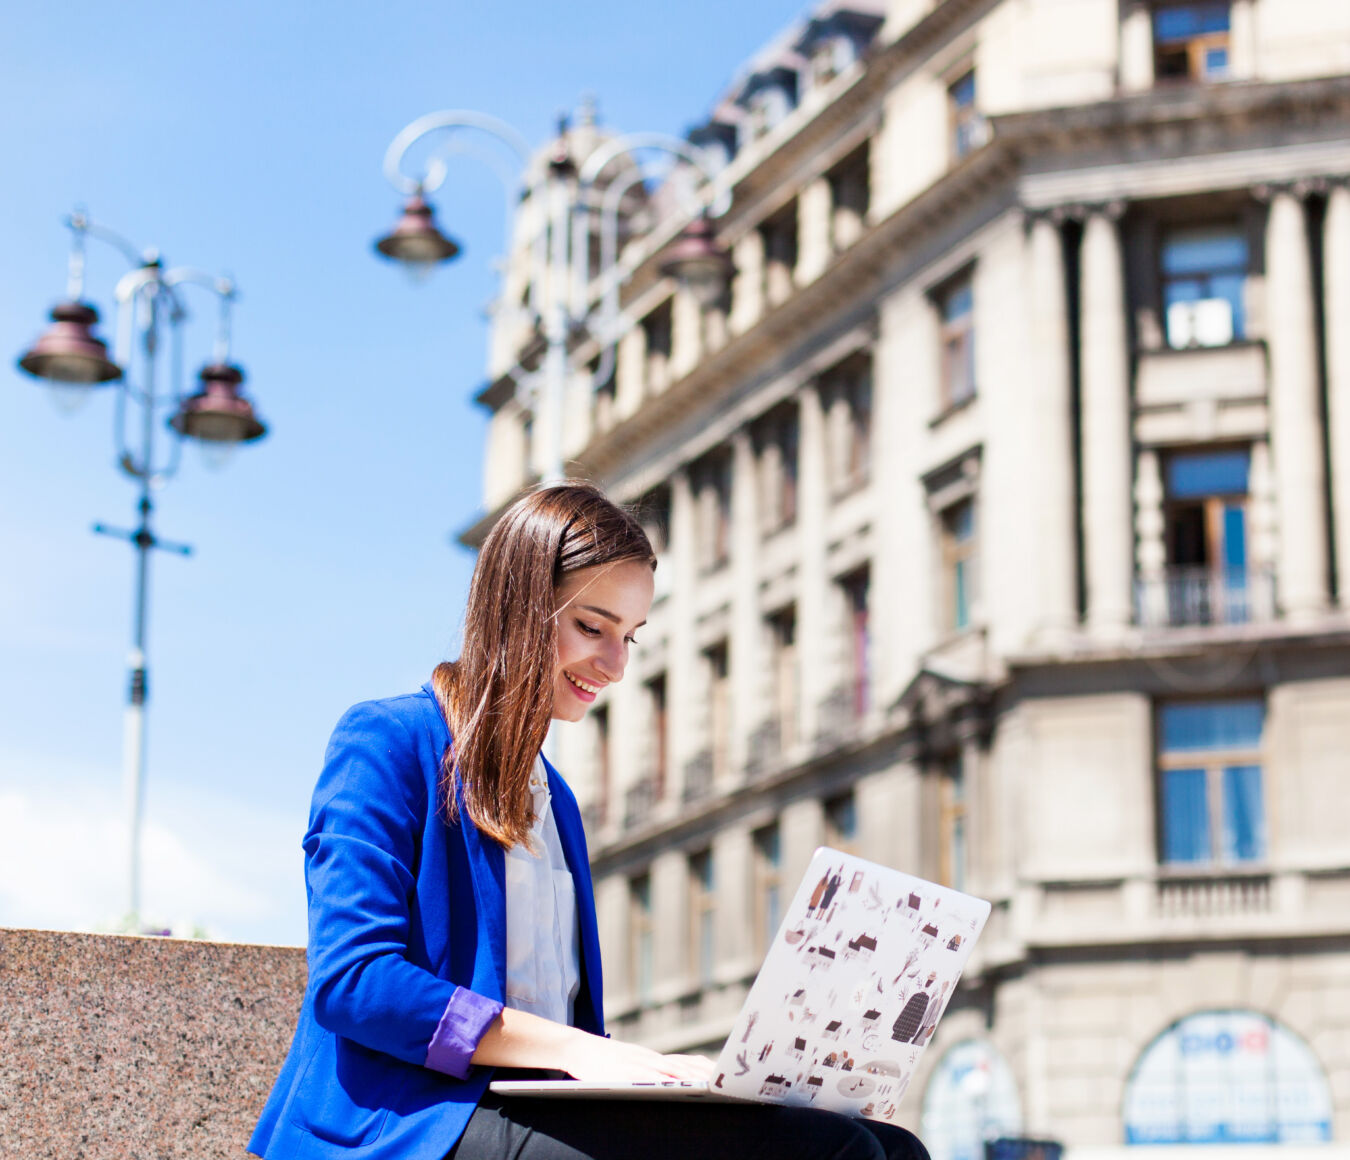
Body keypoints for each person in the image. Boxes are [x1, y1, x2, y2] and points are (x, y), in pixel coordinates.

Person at [250, 482, 930, 1160]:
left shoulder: (559, 802)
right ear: (516, 607)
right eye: (591, 627)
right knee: (833, 1152)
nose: (616, 665)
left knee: (890, 1147)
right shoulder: (386, 740)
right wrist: (581, 1052)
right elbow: (354, 981)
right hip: (409, 1122)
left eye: (629, 636)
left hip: (535, 1105)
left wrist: (653, 1073)